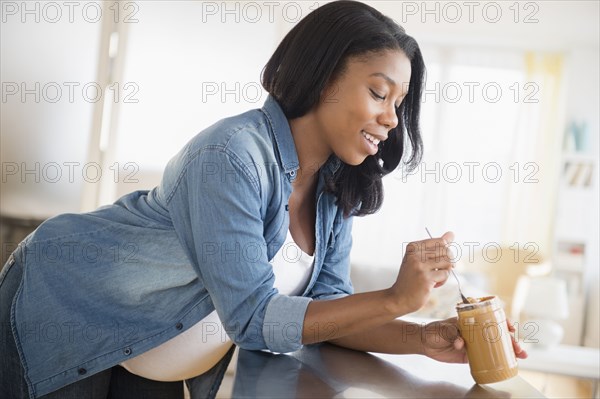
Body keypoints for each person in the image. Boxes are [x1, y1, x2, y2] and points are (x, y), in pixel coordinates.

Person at [0, 1, 527, 398]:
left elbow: (328, 313)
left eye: (400, 102)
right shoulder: (230, 156)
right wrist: (395, 297)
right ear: (324, 81)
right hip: (68, 305)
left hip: (149, 354)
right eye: (378, 92)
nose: (392, 119)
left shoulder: (334, 189)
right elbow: (253, 319)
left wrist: (423, 336)